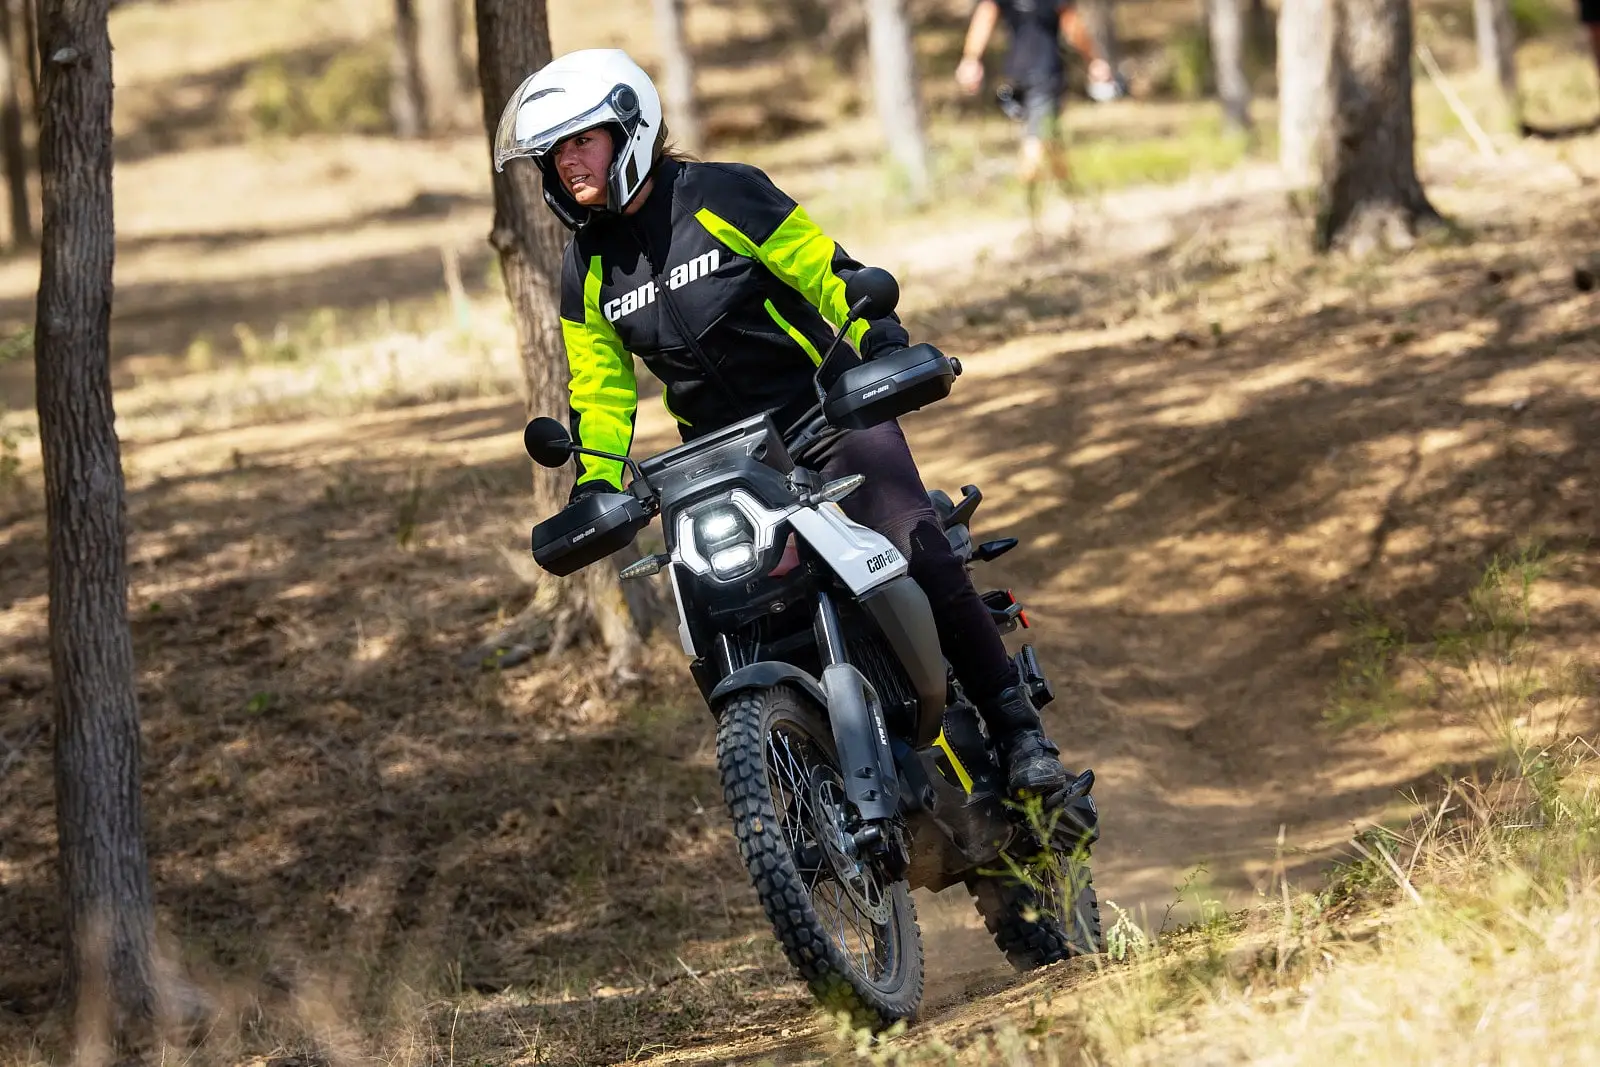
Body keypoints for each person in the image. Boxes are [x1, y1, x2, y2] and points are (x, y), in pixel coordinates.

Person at [494, 48, 1072, 800]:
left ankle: (1017, 727)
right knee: (715, 622)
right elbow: (601, 393)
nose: (567, 164)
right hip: (719, 465)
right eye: (554, 153)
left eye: (581, 141)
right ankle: (795, 789)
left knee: (914, 542)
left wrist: (877, 343)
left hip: (824, 420)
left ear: (628, 129)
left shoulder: (721, 194)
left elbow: (824, 272)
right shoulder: (587, 267)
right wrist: (596, 483)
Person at [954, 0, 1118, 207]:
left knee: (1048, 138)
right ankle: (1024, 203)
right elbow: (1072, 26)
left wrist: (971, 59)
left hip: (1014, 76)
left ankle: (1068, 200)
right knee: (1036, 142)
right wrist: (1093, 60)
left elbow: (985, 17)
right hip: (1044, 74)